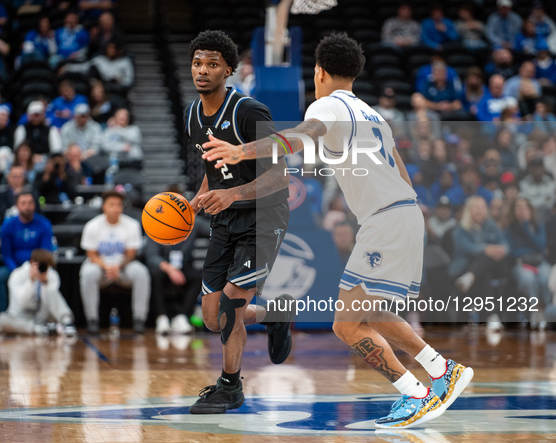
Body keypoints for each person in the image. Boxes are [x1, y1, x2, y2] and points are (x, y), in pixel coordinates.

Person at [202, 32, 473, 428]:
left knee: (347, 324)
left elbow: (303, 135)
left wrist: (241, 150)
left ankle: (437, 375)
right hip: (402, 214)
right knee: (365, 315)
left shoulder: (327, 106)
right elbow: (398, 166)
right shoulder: (371, 113)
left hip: (387, 219)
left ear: (320, 72)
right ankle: (423, 386)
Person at [184, 30, 292, 415]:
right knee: (213, 317)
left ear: (228, 69)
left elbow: (281, 176)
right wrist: (197, 199)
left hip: (264, 218)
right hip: (225, 220)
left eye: (213, 64)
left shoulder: (249, 111)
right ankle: (273, 314)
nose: (203, 70)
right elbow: (213, 171)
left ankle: (230, 386)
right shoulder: (192, 115)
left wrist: (232, 194)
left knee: (229, 307)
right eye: (198, 62)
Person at [79, 191, 150, 334]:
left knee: (142, 273)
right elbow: (91, 254)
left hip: (123, 265)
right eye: (111, 204)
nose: (116, 208)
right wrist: (107, 267)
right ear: (104, 206)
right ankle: (92, 319)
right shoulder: (92, 226)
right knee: (88, 273)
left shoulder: (132, 224)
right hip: (100, 265)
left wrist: (117, 266)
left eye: (118, 205)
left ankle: (139, 318)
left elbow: (131, 254)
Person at [449, 196, 510, 330]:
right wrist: (487, 248)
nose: (479, 211)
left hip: (479, 271)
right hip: (462, 268)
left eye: (482, 207)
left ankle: (470, 277)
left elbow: (505, 244)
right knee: (484, 272)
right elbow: (467, 248)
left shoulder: (490, 225)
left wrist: (500, 249)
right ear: (468, 210)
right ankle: (492, 316)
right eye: (476, 207)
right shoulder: (460, 229)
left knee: (485, 261)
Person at [0, 190, 55, 312]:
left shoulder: (44, 224)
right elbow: (6, 254)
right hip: (14, 265)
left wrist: (34, 268)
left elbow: (45, 253)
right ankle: (3, 314)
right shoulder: (8, 225)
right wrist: (16, 271)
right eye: (23, 203)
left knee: (53, 276)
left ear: (35, 205)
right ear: (17, 205)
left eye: (30, 203)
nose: (27, 206)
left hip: (37, 264)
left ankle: (47, 315)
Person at [146, 217, 206, 335]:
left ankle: (181, 316)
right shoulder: (155, 224)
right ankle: (161, 317)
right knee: (154, 274)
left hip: (183, 265)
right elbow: (151, 256)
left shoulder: (192, 223)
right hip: (163, 265)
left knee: (197, 276)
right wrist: (170, 269)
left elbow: (210, 228)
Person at [0, 248, 76, 336]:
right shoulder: (17, 274)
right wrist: (31, 281)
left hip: (41, 315)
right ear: (31, 262)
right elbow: (22, 303)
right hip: (20, 316)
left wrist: (45, 283)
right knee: (2, 319)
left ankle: (67, 323)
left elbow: (53, 300)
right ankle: (40, 329)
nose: (43, 268)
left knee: (52, 293)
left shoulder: (51, 275)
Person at [504, 197, 550, 330]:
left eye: (525, 207)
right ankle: (535, 310)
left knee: (546, 276)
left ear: (530, 210)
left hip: (539, 262)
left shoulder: (538, 226)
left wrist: (526, 228)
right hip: (521, 264)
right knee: (528, 278)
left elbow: (541, 245)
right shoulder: (510, 229)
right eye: (518, 207)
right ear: (514, 211)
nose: (522, 210)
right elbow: (513, 251)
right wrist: (531, 249)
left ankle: (545, 309)